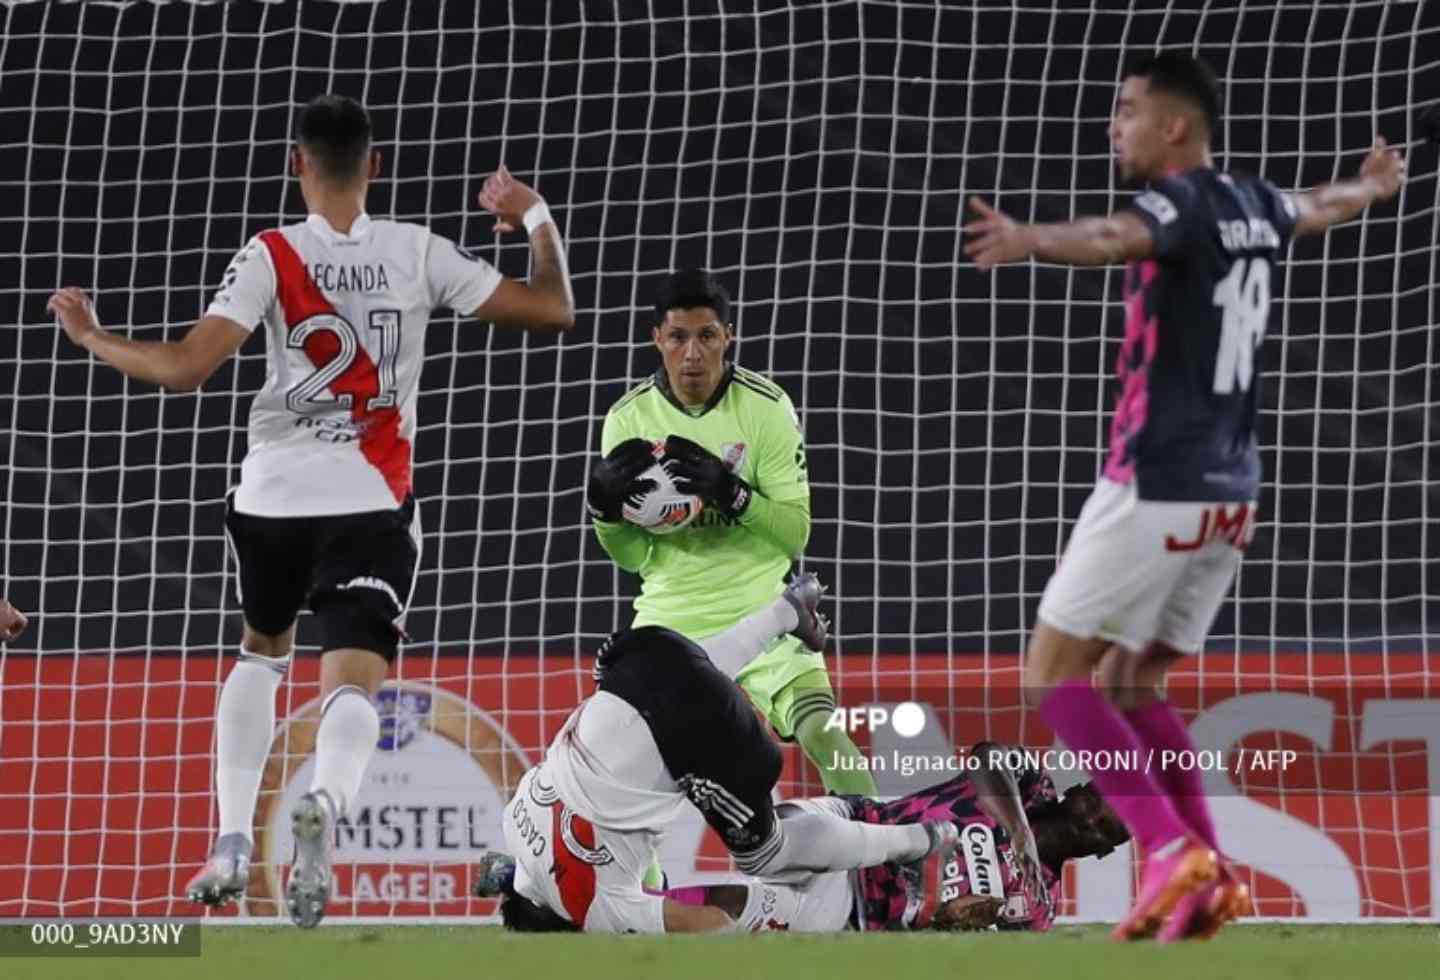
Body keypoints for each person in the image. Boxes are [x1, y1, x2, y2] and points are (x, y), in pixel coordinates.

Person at [47, 94, 576, 927]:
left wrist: (93, 337)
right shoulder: (417, 250)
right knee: (353, 678)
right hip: (370, 497)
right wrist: (534, 213)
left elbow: (187, 368)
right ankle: (322, 810)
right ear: (375, 166)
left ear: (297, 165)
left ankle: (227, 838)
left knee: (260, 655)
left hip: (270, 497)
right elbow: (553, 309)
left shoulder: (271, 253)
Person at [963, 51, 1405, 941]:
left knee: (1053, 673)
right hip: (1234, 494)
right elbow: (1321, 208)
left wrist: (1032, 238)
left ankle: (1168, 849)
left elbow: (1114, 239)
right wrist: (1374, 186)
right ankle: (1213, 876)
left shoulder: (1182, 201)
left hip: (1157, 481)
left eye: (1125, 111)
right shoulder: (1256, 203)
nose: (1111, 127)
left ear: (1174, 127)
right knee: (1131, 680)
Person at [474, 585, 961, 934]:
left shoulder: (597, 914)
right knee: (682, 676)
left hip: (700, 731)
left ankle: (919, 841)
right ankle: (787, 611)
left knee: (763, 852)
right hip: (639, 652)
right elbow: (515, 875)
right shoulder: (515, 820)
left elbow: (711, 923)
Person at [586, 269, 876, 808]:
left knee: (825, 735)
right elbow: (633, 558)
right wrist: (604, 513)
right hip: (671, 613)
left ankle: (887, 866)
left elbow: (795, 532)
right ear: (657, 340)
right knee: (619, 774)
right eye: (678, 337)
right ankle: (638, 895)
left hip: (763, 604)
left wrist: (732, 493)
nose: (692, 353)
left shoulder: (766, 409)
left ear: (729, 336)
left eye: (707, 336)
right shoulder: (627, 420)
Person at [663, 752, 1130, 933]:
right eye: (1104, 804)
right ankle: (918, 841)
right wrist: (1018, 831)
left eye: (1113, 829)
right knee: (774, 842)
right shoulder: (1028, 782)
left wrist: (948, 923)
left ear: (1105, 851)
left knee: (736, 904)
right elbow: (988, 758)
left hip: (854, 913)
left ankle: (621, 914)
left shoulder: (1037, 907)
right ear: (1081, 790)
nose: (1099, 822)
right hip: (860, 824)